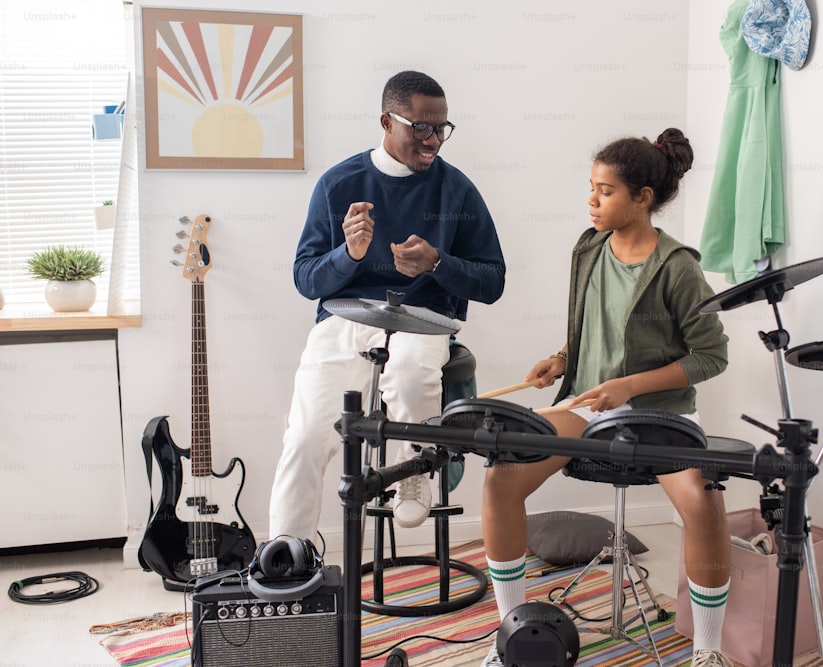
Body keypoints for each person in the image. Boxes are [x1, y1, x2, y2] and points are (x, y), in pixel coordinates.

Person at [480, 129, 733, 667]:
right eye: (591, 188)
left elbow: (711, 356)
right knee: (501, 474)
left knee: (705, 503)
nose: (592, 201)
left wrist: (631, 386)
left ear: (642, 198)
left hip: (658, 416)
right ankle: (511, 635)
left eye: (605, 191)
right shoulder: (589, 246)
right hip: (585, 408)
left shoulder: (678, 267)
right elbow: (595, 326)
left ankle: (708, 650)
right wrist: (562, 359)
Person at [269, 71, 506, 544]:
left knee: (411, 377)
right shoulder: (339, 184)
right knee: (305, 434)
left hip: (424, 322)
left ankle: (412, 471)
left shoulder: (456, 190)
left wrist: (438, 263)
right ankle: (286, 553)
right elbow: (304, 277)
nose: (434, 140)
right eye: (421, 127)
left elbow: (493, 281)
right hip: (345, 317)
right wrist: (348, 255)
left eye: (442, 128)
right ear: (386, 121)